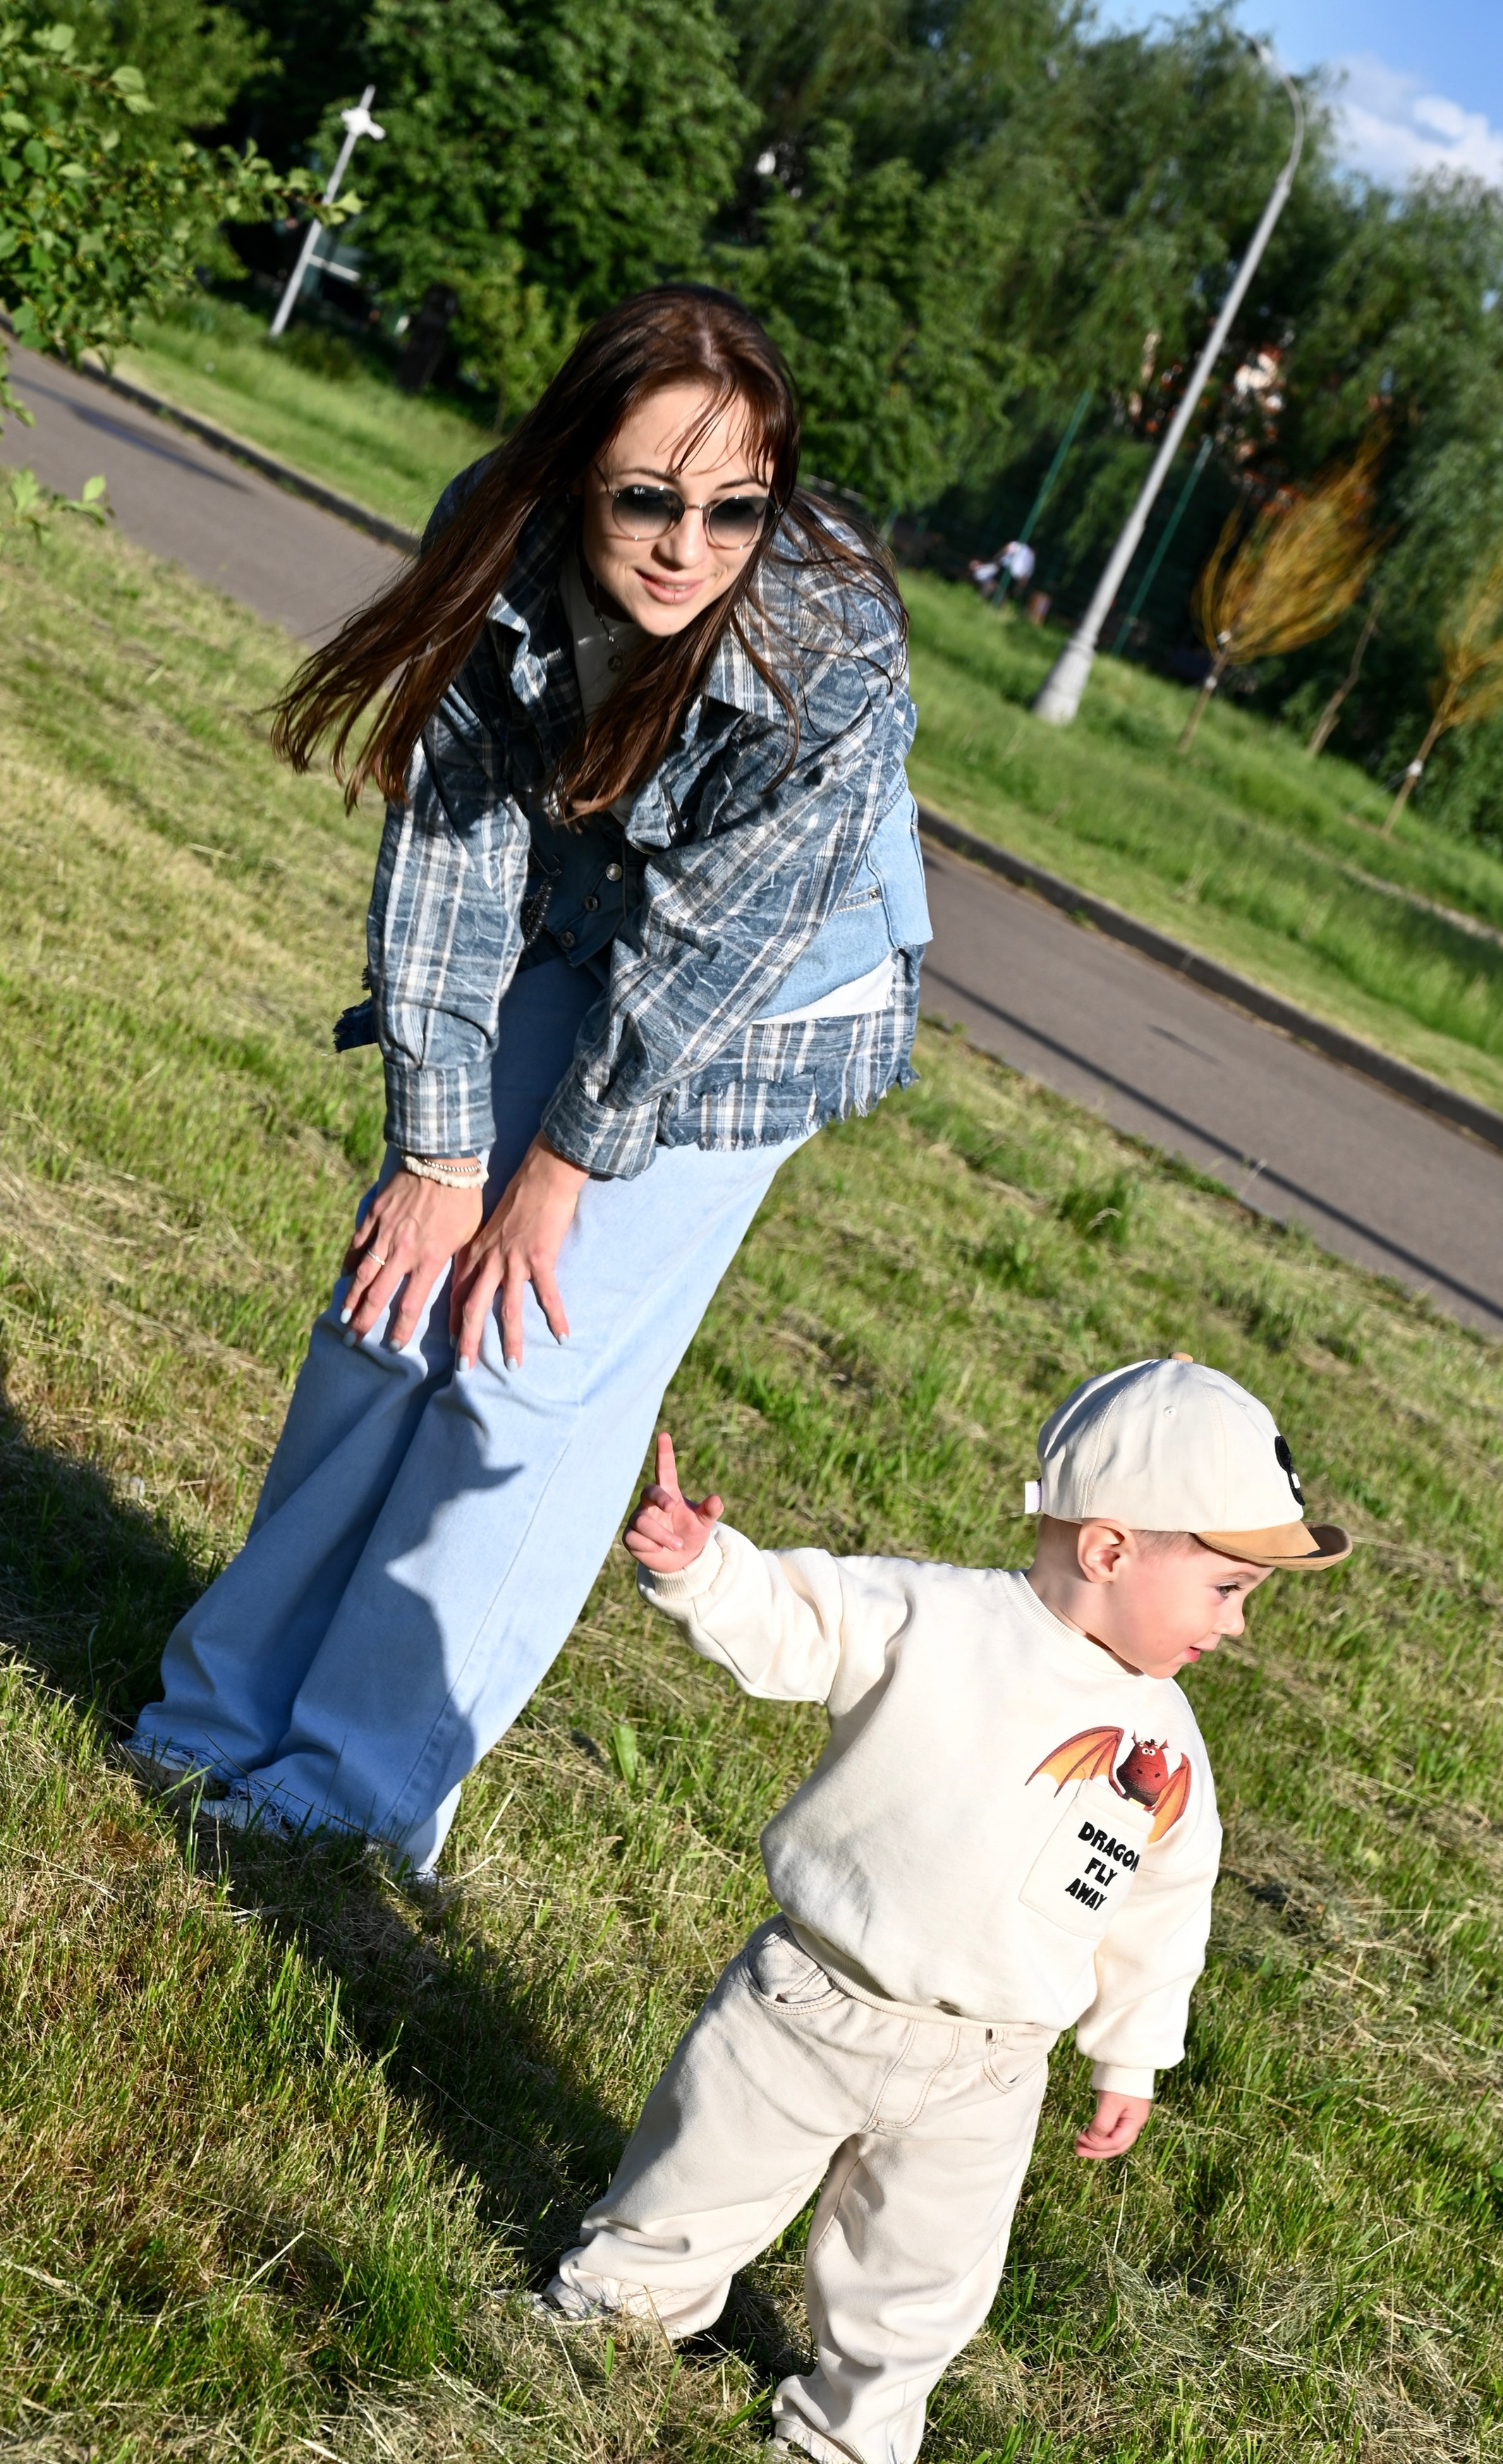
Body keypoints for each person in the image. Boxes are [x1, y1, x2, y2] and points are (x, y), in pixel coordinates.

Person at [126, 286, 930, 1875]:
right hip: (575, 909)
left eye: (733, 509)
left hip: (754, 1004)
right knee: (391, 1303)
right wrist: (438, 1153)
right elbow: (451, 848)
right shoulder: (494, 535)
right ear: (573, 468)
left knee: (517, 1364)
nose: (685, 545)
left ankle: (354, 1791)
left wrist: (547, 1178)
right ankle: (219, 1714)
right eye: (644, 495)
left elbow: (704, 962)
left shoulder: (830, 642)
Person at [540, 1357, 1352, 2464]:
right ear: (1111, 1550)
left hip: (990, 2069)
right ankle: (617, 2310)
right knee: (700, 2172)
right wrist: (704, 1568)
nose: (1241, 1626)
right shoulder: (938, 1621)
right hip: (814, 2005)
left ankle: (849, 2437)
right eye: (1226, 1590)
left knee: (919, 2279)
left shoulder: (1167, 1746)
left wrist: (1131, 2054)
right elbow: (802, 1617)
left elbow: (1162, 1905)